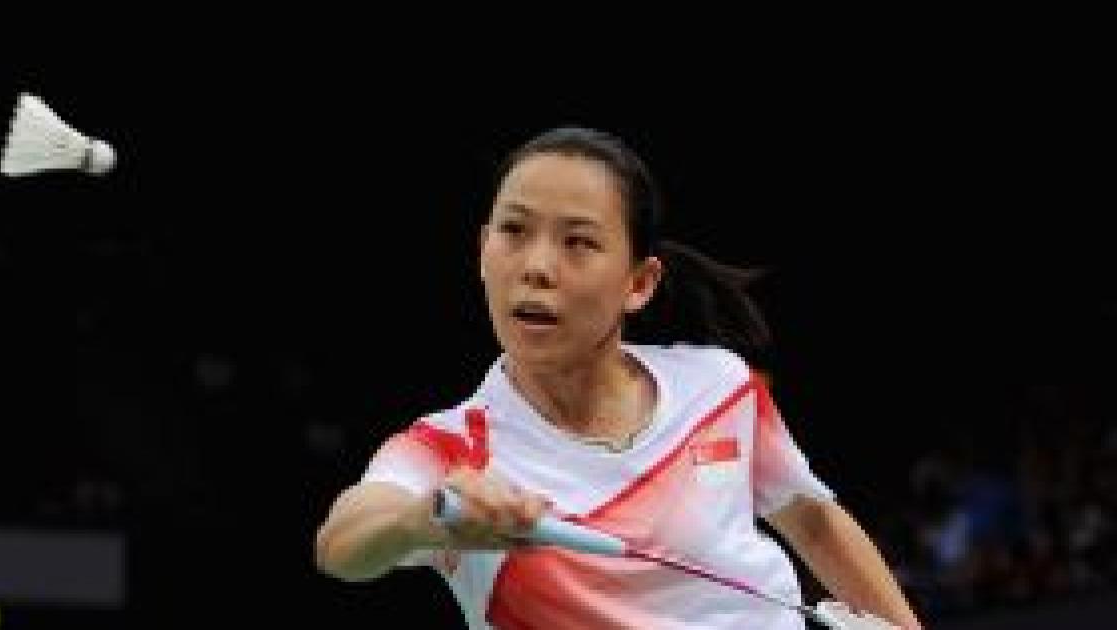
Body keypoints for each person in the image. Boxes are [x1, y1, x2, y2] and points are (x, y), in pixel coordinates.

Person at [313, 127, 922, 629]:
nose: (536, 267)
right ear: (482, 251)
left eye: (578, 242)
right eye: (514, 231)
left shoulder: (720, 387)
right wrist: (424, 520)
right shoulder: (452, 450)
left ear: (639, 283)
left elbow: (814, 522)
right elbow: (343, 542)